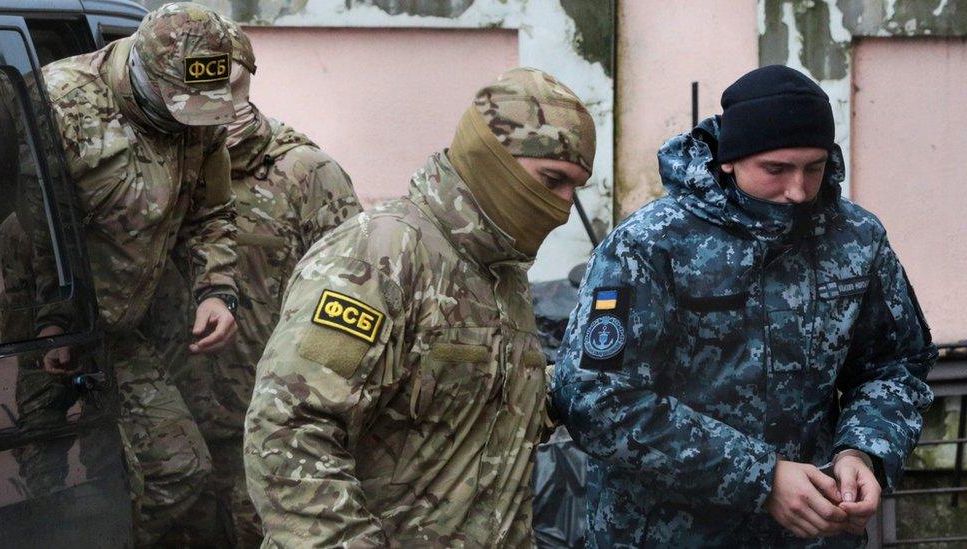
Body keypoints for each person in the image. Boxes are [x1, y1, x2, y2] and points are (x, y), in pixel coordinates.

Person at [552, 65, 936, 547]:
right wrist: (762, 478)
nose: (797, 190)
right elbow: (595, 399)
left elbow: (895, 363)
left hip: (814, 535)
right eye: (776, 169)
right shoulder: (649, 245)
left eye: (813, 167)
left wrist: (862, 451)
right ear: (729, 160)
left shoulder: (856, 239)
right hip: (668, 535)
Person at [244, 67, 595, 547]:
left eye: (575, 190)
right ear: (493, 160)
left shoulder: (501, 272)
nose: (562, 206)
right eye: (552, 180)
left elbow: (486, 409)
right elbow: (290, 430)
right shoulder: (378, 256)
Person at [38, 3, 240, 544]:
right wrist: (51, 321)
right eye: (180, 102)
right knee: (39, 487)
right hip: (43, 327)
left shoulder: (201, 111)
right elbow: (26, 231)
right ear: (145, 74)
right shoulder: (60, 103)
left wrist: (216, 291)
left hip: (126, 332)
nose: (192, 116)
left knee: (178, 471)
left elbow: (211, 213)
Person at [167, 17, 362, 547]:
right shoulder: (162, 167)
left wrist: (322, 404)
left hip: (271, 428)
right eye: (200, 86)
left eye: (228, 85)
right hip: (173, 422)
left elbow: (355, 304)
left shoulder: (306, 174)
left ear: (249, 79)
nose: (218, 101)